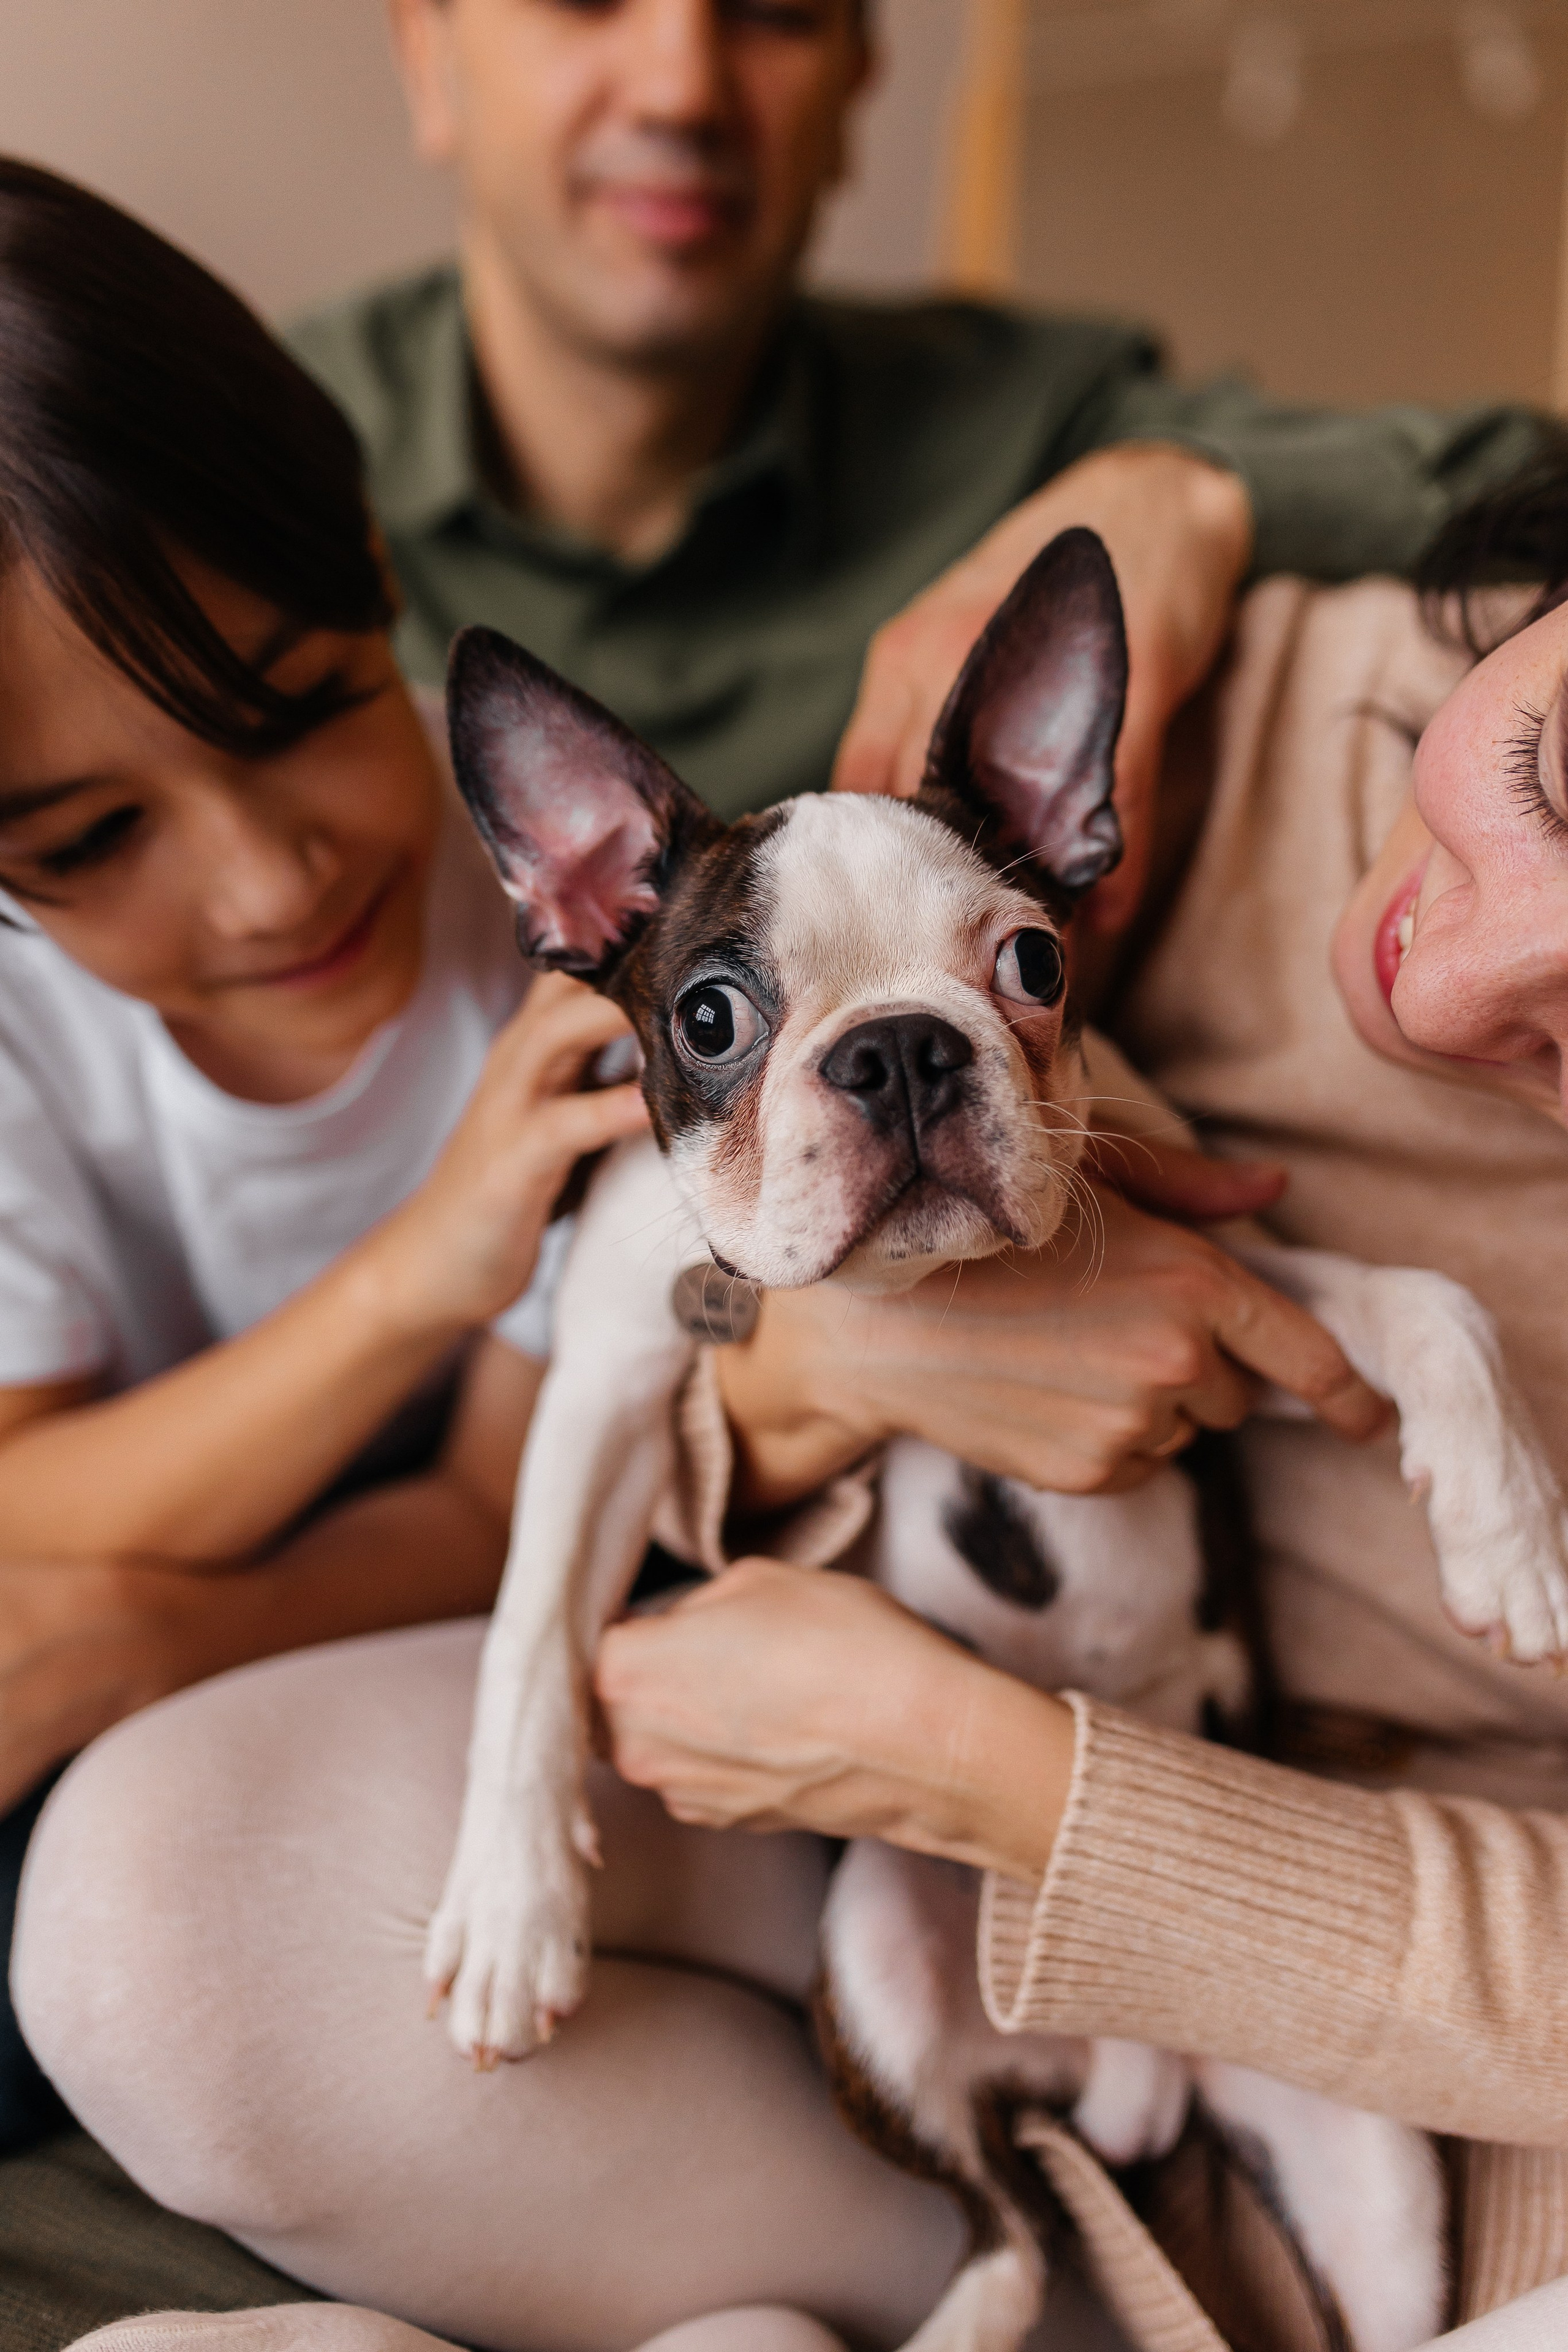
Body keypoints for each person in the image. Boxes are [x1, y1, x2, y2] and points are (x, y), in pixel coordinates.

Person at [0, 157, 1392, 2345]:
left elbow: (525, 1471)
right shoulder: (96, 1017)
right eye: (85, 837)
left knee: (114, 1892)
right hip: (564, 1720)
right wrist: (410, 1300)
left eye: (292, 709)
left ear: (387, 577)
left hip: (749, 1691)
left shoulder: (633, 937)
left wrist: (1189, 493)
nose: (264, 883)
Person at [294, 0, 1549, 931]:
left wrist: (1182, 493)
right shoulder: (251, 462)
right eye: (585, 0)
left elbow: (1525, 477)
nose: (680, 88)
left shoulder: (1018, 414)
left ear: (855, 86)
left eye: (774, 13)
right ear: (426, 55)